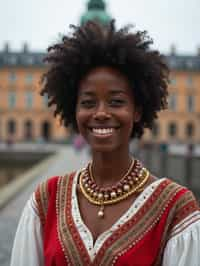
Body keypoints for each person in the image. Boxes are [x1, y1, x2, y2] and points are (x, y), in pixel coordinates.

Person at [11, 21, 200, 266]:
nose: (100, 113)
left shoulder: (176, 209)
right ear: (73, 110)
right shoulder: (45, 200)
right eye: (88, 103)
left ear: (137, 111)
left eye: (116, 102)